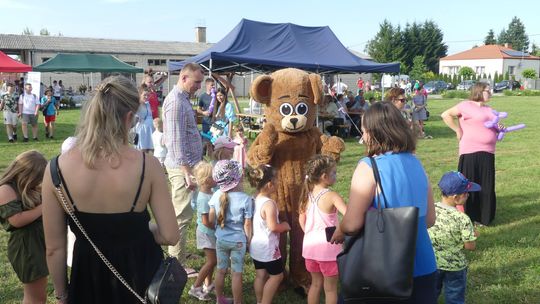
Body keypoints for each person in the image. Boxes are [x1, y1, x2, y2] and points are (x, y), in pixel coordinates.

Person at [42, 75, 180, 304]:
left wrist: (62, 294)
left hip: (87, 280)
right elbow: (170, 235)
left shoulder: (55, 170)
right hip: (141, 279)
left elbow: (54, 249)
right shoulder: (148, 166)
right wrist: (138, 228)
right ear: (128, 117)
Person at [341, 101, 437, 304]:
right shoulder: (417, 163)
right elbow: (429, 219)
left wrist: (339, 230)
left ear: (373, 132)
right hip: (424, 265)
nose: (363, 136)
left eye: (364, 130)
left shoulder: (368, 166)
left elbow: (351, 224)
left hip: (384, 269)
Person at [162, 62, 204, 270]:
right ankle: (176, 264)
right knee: (181, 215)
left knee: (185, 213)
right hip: (182, 168)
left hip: (187, 165)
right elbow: (176, 141)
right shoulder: (177, 102)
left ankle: (181, 253)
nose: (199, 87)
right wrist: (187, 172)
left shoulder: (183, 99)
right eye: (196, 82)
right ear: (184, 78)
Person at [441, 82, 498, 226]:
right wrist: (457, 130)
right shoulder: (465, 105)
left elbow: (493, 126)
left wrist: (499, 129)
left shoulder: (489, 109)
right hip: (470, 150)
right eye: (487, 90)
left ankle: (484, 217)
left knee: (486, 185)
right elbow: (445, 114)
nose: (490, 92)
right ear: (479, 91)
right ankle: (468, 216)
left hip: (488, 151)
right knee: (469, 185)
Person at [0, 151, 48, 304]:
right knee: (35, 298)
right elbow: (16, 220)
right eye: (37, 178)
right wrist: (44, 206)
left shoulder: (25, 188)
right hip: (26, 249)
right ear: (27, 174)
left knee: (40, 295)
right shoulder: (6, 189)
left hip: (37, 245)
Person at [299, 155, 347, 304]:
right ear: (324, 176)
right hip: (328, 249)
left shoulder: (306, 196)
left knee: (315, 284)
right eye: (334, 173)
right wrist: (342, 230)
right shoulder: (332, 196)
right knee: (331, 289)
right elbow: (349, 215)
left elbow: (302, 220)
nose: (336, 175)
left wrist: (310, 233)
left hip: (309, 249)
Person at [428, 171, 479, 304]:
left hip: (433, 264)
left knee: (430, 294)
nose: (468, 195)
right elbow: (470, 246)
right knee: (454, 298)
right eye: (466, 193)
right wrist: (472, 236)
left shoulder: (431, 209)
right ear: (456, 198)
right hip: (455, 267)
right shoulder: (463, 219)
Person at [208, 160, 253, 304]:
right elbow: (247, 224)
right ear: (237, 178)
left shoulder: (216, 195)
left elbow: (211, 219)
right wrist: (249, 241)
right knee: (236, 274)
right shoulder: (246, 199)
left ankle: (219, 299)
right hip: (239, 241)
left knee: (221, 270)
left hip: (220, 239)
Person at [246, 165, 291, 304]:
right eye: (277, 180)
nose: (278, 183)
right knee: (277, 277)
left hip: (256, 245)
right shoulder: (269, 204)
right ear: (270, 184)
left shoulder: (254, 199)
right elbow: (273, 227)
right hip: (268, 248)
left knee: (260, 275)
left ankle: (259, 301)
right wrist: (284, 226)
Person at [188, 161, 217, 301]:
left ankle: (208, 284)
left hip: (210, 233)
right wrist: (218, 228)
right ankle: (196, 288)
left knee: (212, 260)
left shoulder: (211, 193)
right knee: (211, 261)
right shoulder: (203, 198)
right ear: (207, 180)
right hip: (206, 233)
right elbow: (206, 221)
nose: (216, 178)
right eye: (213, 176)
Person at [135, 85, 154, 153]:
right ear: (140, 94)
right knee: (142, 152)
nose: (146, 97)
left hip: (150, 130)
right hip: (142, 131)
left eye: (148, 95)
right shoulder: (136, 105)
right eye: (144, 95)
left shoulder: (147, 104)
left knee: (151, 151)